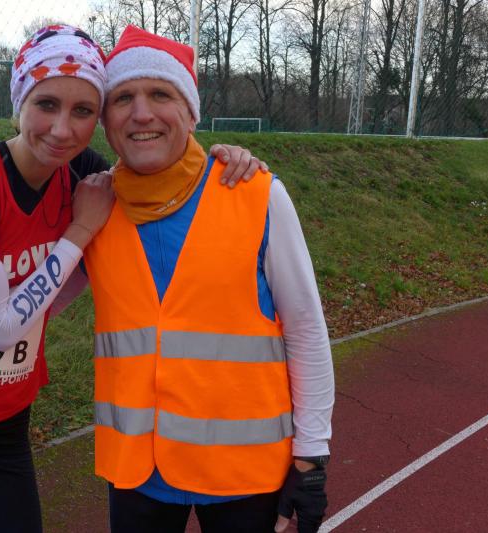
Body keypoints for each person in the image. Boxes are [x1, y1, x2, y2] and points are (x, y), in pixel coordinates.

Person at [0, 24, 268, 533]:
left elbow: (161, 172)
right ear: (18, 103)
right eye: (46, 104)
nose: (62, 129)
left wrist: (228, 159)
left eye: (83, 110)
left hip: (4, 428)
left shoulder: (85, 172)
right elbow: (0, 329)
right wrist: (79, 231)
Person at [82, 26, 334, 533]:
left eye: (161, 94)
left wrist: (312, 453)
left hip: (244, 473)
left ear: (192, 113)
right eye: (123, 98)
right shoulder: (93, 207)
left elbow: (305, 328)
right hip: (136, 471)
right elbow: (26, 284)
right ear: (105, 121)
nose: (142, 113)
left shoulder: (256, 193)